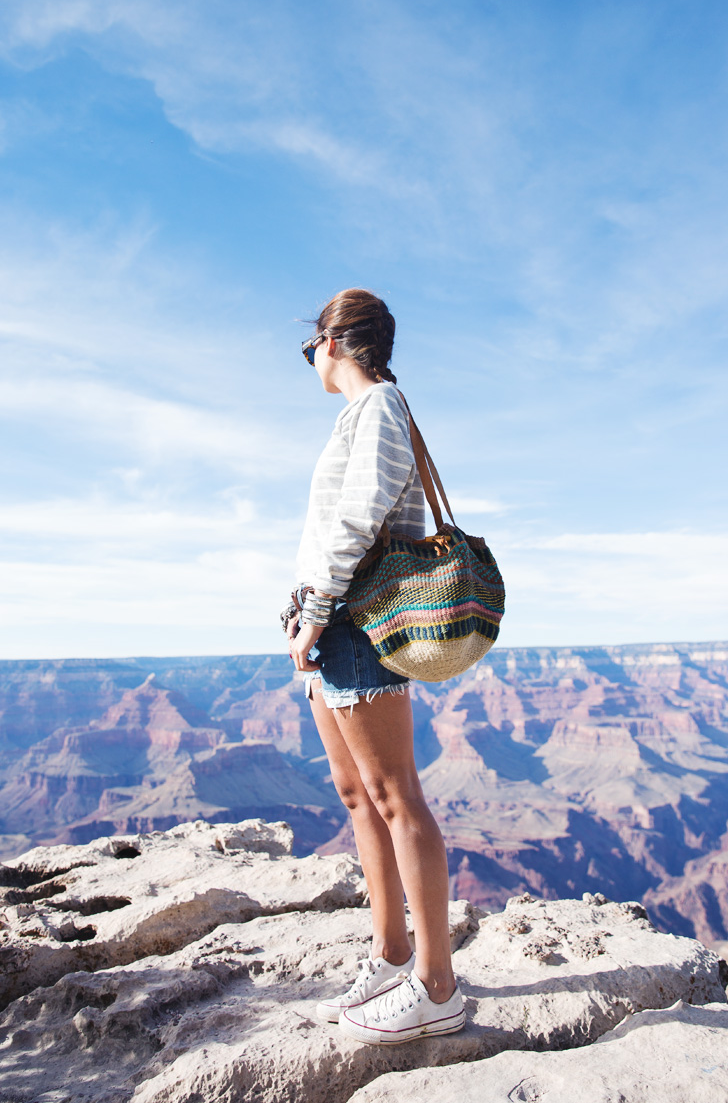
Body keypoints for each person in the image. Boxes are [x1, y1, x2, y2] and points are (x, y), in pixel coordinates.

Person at [282, 287, 465, 1045]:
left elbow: (359, 519)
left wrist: (320, 608)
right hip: (327, 626)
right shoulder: (355, 417)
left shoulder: (382, 407)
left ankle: (437, 986)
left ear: (334, 342)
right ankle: (391, 954)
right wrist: (306, 614)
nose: (309, 363)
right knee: (357, 796)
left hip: (355, 623)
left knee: (397, 797)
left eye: (308, 347)